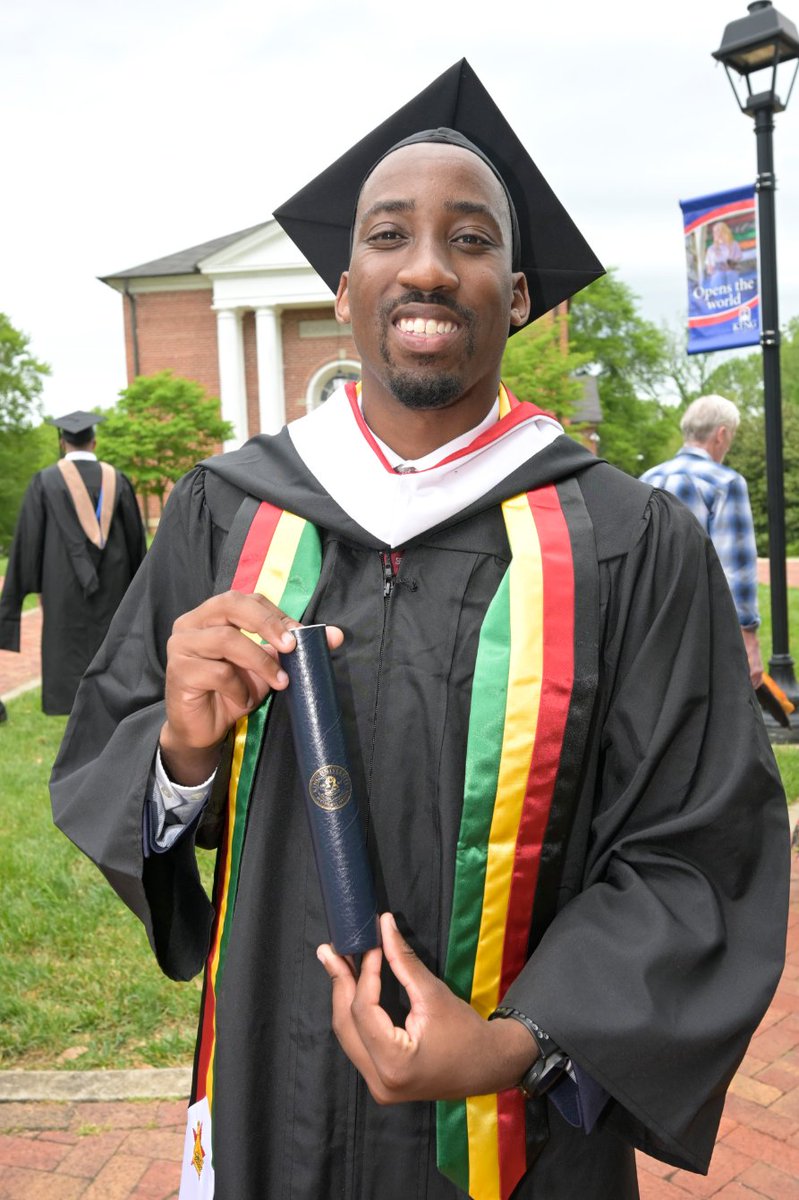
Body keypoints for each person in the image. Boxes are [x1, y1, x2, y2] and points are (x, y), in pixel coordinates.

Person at [50, 61, 788, 1200]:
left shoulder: (630, 544)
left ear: (520, 294)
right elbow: (120, 754)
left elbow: (699, 850)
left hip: (517, 1140)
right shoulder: (228, 511)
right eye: (389, 235)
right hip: (271, 1097)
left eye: (472, 238)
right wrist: (180, 755)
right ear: (344, 291)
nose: (429, 264)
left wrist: (511, 1043)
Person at [0, 411, 147, 715]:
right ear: (94, 441)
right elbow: (136, 541)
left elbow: (29, 542)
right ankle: (113, 705)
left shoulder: (45, 481)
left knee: (67, 648)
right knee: (111, 644)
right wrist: (142, 591)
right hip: (114, 585)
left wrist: (22, 593)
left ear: (63, 442)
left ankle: (72, 707)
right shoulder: (116, 479)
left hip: (62, 586)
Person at [640, 394, 763, 688]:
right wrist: (749, 637)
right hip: (703, 626)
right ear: (721, 434)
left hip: (650, 625)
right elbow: (736, 567)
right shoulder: (725, 483)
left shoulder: (644, 479)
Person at [703, 221, 742, 290]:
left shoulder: (734, 245)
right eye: (715, 231)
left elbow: (737, 264)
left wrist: (728, 265)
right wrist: (715, 268)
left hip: (731, 274)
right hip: (717, 276)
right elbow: (709, 270)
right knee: (719, 276)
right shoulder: (711, 249)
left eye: (720, 230)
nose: (718, 233)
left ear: (726, 231)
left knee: (730, 274)